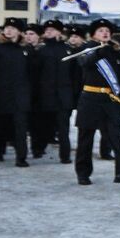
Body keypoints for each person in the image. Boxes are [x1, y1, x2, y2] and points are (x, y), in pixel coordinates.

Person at [73, 18, 120, 185]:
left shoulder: (114, 51)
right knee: (86, 137)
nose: (105, 33)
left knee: (115, 136)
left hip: (110, 100)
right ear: (93, 34)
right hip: (90, 99)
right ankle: (83, 173)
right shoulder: (85, 49)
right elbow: (84, 63)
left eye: (107, 30)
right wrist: (99, 52)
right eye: (100, 30)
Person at [0, 19, 33, 167]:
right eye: (6, 28)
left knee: (20, 127)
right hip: (1, 94)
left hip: (20, 95)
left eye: (12, 28)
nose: (9, 31)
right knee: (0, 125)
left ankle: (21, 157)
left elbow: (32, 74)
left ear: (19, 31)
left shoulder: (26, 50)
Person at [31, 20, 75, 164]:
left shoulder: (68, 50)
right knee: (42, 125)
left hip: (64, 95)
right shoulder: (41, 51)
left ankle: (65, 155)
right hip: (45, 95)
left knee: (63, 128)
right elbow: (35, 74)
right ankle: (38, 148)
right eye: (47, 30)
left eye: (52, 29)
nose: (48, 32)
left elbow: (74, 74)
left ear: (59, 32)